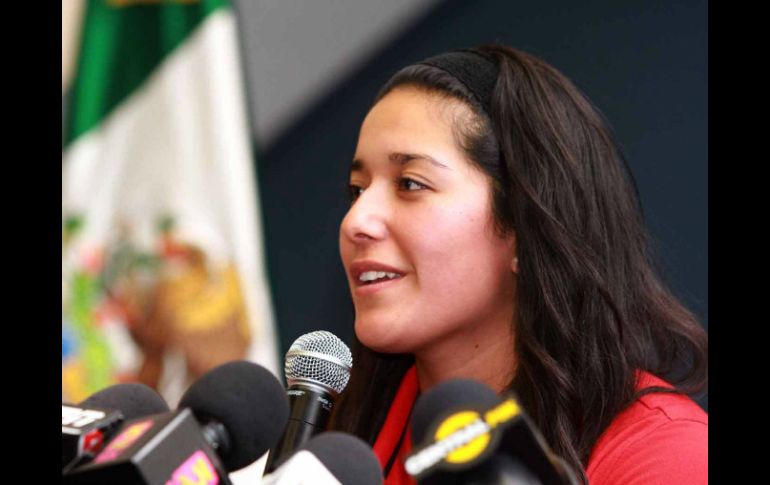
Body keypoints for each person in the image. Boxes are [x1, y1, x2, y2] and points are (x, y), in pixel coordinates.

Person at [328, 44, 708, 484]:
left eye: (410, 184)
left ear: (525, 228)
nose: (356, 221)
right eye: (357, 190)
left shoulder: (661, 455)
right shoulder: (342, 447)